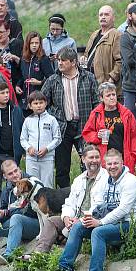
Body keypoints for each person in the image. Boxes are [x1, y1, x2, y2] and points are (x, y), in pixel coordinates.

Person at [45, 148, 136, 271]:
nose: (112, 167)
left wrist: (100, 222)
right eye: (109, 164)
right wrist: (87, 218)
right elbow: (99, 206)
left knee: (98, 232)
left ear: (122, 162)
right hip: (113, 222)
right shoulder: (108, 181)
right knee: (79, 227)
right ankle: (64, 269)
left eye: (115, 163)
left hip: (132, 223)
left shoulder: (130, 181)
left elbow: (123, 209)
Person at [41, 47, 99, 188]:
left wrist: (95, 123)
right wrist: (54, 115)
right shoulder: (53, 80)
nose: (59, 63)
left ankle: (89, 193)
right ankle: (63, 198)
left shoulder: (89, 77)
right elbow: (42, 102)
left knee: (88, 162)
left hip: (85, 125)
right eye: (58, 60)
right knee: (62, 167)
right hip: (62, 127)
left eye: (63, 60)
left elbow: (97, 102)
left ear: (73, 62)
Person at [34, 145, 107, 254]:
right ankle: (39, 253)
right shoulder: (79, 180)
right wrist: (66, 218)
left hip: (92, 220)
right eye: (91, 158)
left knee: (76, 226)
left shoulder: (106, 178)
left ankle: (66, 258)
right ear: (83, 159)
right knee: (51, 220)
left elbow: (101, 206)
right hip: (74, 218)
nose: (94, 161)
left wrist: (81, 220)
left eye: (97, 157)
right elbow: (70, 203)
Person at [82, 82, 136, 172]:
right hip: (104, 156)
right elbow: (87, 132)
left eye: (113, 94)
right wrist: (97, 136)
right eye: (108, 95)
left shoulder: (127, 114)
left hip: (124, 156)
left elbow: (134, 136)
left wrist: (133, 155)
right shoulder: (96, 113)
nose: (112, 97)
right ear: (101, 98)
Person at [20, 91, 61, 188]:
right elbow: (23, 139)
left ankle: (48, 203)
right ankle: (32, 203)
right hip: (31, 159)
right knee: (32, 186)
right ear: (30, 106)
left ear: (46, 103)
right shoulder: (27, 120)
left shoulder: (52, 120)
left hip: (47, 158)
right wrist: (29, 148)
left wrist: (47, 148)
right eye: (35, 103)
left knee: (47, 186)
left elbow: (58, 138)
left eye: (41, 103)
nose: (38, 106)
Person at [84, 5, 122, 90]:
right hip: (91, 83)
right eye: (101, 15)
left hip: (106, 84)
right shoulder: (94, 34)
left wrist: (112, 79)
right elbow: (87, 55)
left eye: (106, 14)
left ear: (113, 18)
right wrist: (83, 59)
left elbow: (120, 61)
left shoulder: (117, 35)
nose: (103, 17)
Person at [119, 3, 136, 121]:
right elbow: (130, 61)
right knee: (130, 122)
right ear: (130, 16)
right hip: (131, 86)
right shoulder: (126, 37)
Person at [17, 32, 54, 114]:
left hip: (38, 100)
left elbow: (52, 78)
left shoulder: (44, 59)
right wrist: (18, 85)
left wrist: (40, 82)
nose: (34, 45)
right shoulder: (23, 58)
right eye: (31, 43)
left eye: (36, 43)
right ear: (27, 44)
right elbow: (22, 76)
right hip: (25, 101)